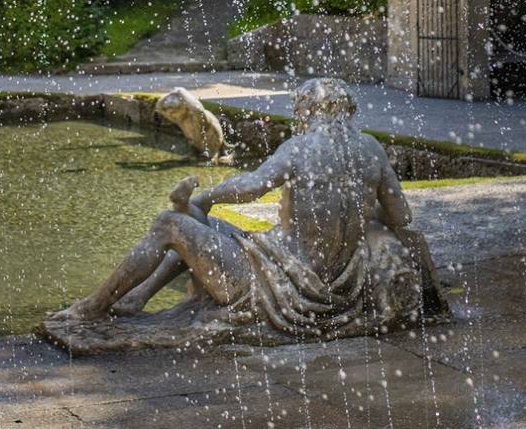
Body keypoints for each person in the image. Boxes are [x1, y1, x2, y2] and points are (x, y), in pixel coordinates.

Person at [55, 78, 444, 340]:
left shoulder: (299, 148)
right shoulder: (371, 150)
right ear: (347, 111)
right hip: (334, 286)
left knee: (169, 224)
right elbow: (402, 218)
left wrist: (206, 196)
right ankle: (137, 297)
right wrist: (359, 211)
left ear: (308, 111)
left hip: (279, 289)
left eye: (300, 111)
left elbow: (252, 186)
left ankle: (92, 307)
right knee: (209, 227)